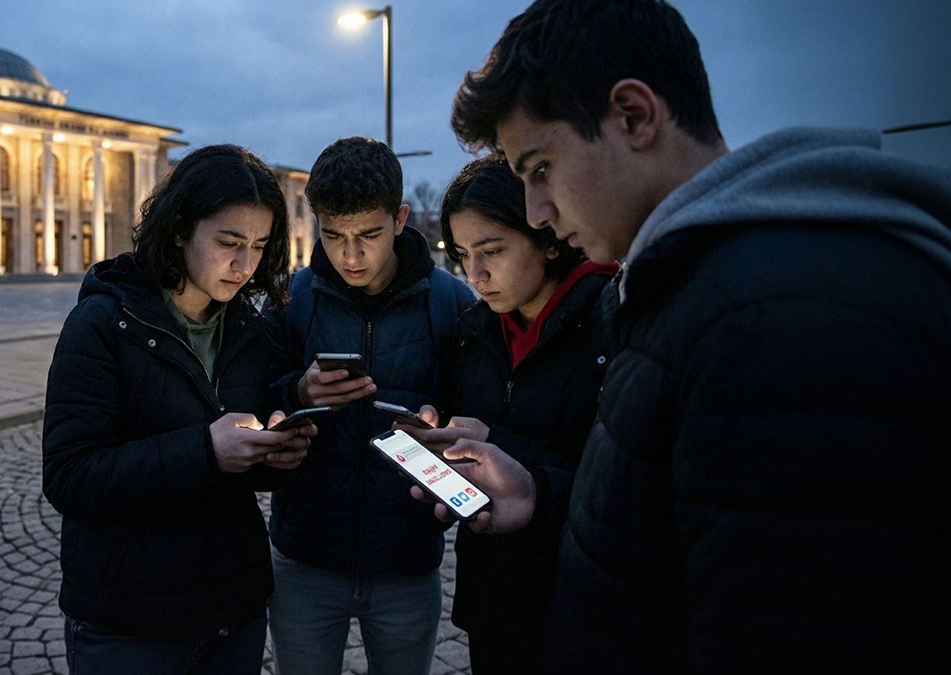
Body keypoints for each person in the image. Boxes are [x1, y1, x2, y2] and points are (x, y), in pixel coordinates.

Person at [424, 0, 951, 671]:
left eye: (541, 169)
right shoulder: (687, 286)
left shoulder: (777, 311)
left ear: (634, 116)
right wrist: (541, 495)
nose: (538, 211)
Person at [42, 144, 315, 674]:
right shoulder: (103, 324)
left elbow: (240, 465)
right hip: (128, 624)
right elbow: (71, 476)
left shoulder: (248, 331)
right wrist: (206, 450)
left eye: (259, 246)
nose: (245, 265)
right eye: (229, 243)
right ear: (178, 229)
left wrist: (277, 454)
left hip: (231, 615)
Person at [266, 136, 476, 675]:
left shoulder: (453, 303)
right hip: (304, 558)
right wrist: (297, 393)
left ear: (401, 219)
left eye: (368, 235)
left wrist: (440, 425)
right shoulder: (294, 298)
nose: (350, 254)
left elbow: (479, 415)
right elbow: (247, 400)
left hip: (406, 560)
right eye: (333, 235)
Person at [401, 155, 616, 673]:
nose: (475, 274)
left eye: (492, 251)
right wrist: (440, 443)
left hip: (586, 605)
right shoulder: (474, 330)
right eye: (462, 254)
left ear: (547, 239)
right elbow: (463, 426)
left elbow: (623, 483)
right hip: (494, 597)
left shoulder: (612, 321)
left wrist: (504, 449)